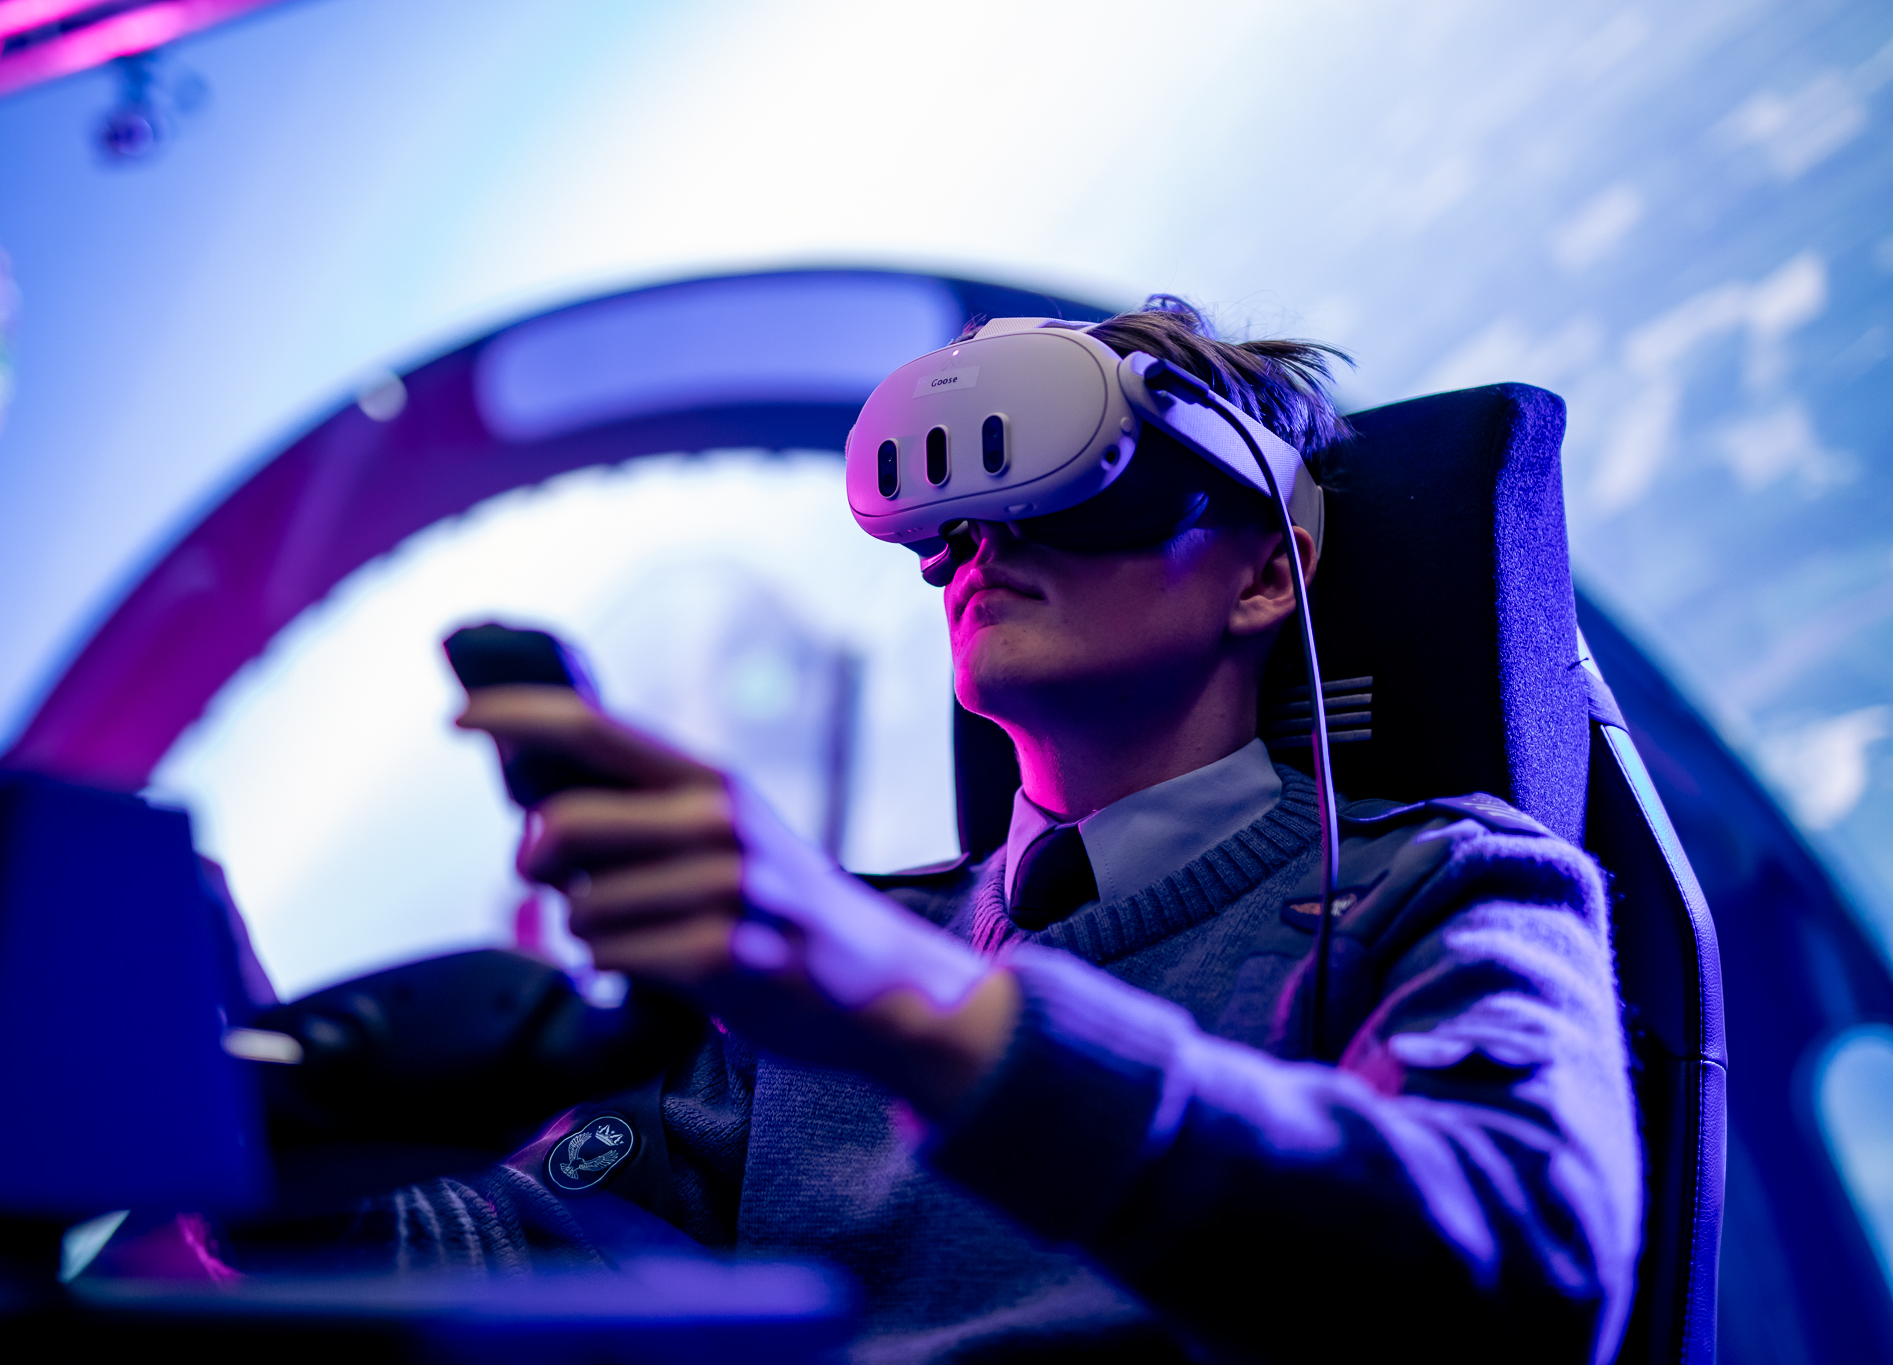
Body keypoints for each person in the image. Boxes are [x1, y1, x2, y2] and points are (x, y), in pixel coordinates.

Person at [425, 299, 1640, 1363]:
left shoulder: (1443, 887)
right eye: (956, 513)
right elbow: (530, 1272)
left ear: (1265, 576)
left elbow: (1522, 1275)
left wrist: (910, 1006)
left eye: (1077, 486)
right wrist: (266, 1144)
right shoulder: (821, 957)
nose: (984, 544)